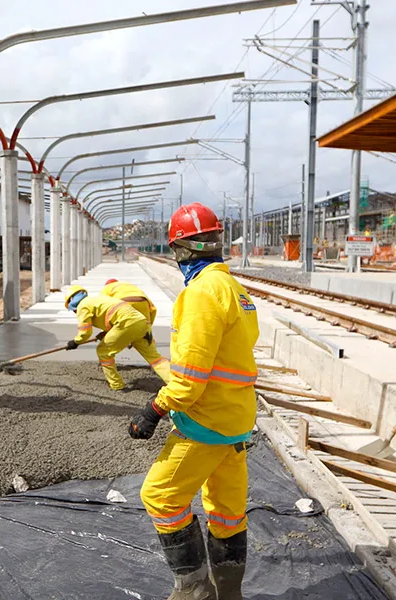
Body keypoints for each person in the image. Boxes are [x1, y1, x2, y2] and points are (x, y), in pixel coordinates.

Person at [129, 202, 259, 600]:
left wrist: (153, 410)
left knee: (160, 496)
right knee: (225, 509)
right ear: (217, 242)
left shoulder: (201, 293)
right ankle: (229, 593)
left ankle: (194, 590)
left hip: (207, 420)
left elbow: (188, 381)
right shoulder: (236, 290)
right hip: (236, 417)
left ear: (181, 250)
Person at [63, 285, 163, 390]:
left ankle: (117, 385)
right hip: (141, 322)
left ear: (72, 301)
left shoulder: (82, 306)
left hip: (126, 324)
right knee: (155, 358)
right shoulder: (97, 299)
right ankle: (176, 383)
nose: (75, 312)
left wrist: (75, 342)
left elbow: (85, 332)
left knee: (103, 351)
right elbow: (111, 316)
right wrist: (104, 333)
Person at [101, 278, 169, 382]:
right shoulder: (129, 286)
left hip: (123, 304)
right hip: (142, 303)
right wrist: (147, 329)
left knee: (106, 349)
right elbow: (153, 310)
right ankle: (172, 380)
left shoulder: (106, 289)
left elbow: (103, 310)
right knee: (153, 355)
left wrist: (108, 332)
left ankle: (115, 381)